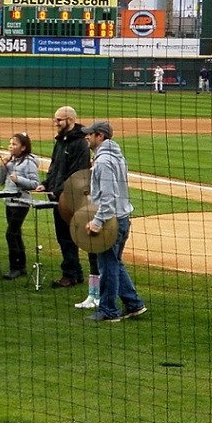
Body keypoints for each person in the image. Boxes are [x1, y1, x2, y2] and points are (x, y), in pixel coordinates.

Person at [81, 121, 147, 322]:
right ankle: (134, 304)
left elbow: (108, 197)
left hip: (112, 221)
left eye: (90, 134)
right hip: (122, 217)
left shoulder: (103, 161)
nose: (87, 137)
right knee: (114, 263)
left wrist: (97, 222)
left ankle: (108, 311)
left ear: (100, 136)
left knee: (107, 266)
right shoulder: (116, 156)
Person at [36, 106, 92, 291]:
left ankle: (73, 275)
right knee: (63, 237)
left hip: (71, 199)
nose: (56, 123)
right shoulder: (61, 141)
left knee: (72, 237)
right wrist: (47, 183)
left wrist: (59, 191)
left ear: (70, 120)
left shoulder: (79, 144)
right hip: (59, 196)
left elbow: (77, 173)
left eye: (59, 120)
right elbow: (55, 167)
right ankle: (74, 272)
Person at [0, 133, 41, 280]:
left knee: (11, 234)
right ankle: (21, 266)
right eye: (10, 144)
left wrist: (18, 179)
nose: (10, 147)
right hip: (9, 201)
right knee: (16, 234)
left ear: (23, 147)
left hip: (22, 203)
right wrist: (2, 166)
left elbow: (35, 184)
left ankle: (14, 267)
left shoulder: (29, 162)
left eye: (14, 144)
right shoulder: (10, 162)